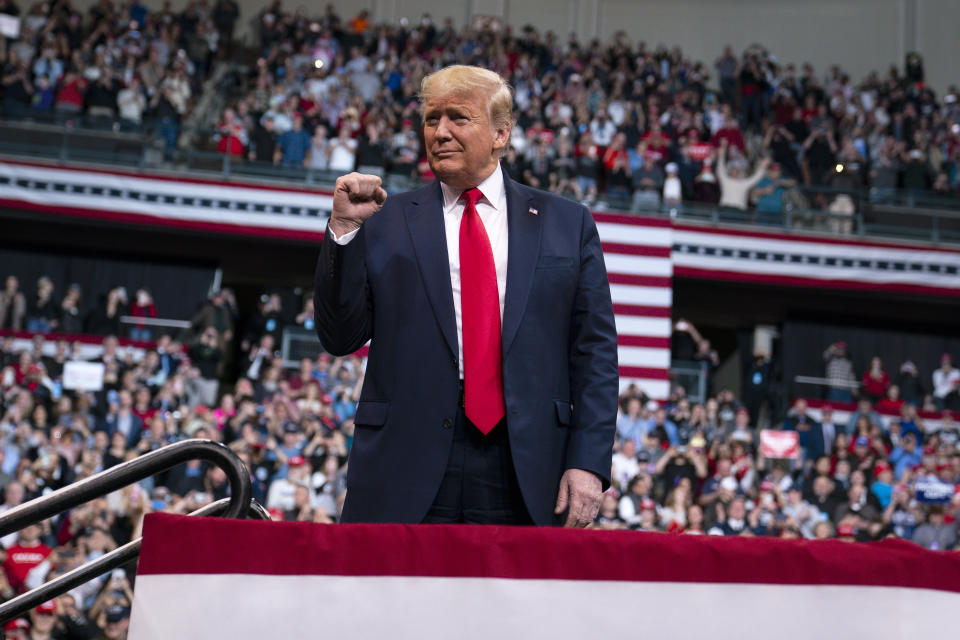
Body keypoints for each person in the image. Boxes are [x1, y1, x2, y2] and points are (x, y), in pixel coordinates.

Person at [314, 65, 618, 527]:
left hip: (528, 466)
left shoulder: (566, 224)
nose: (440, 132)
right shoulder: (385, 218)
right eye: (432, 119)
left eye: (459, 117)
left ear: (501, 133)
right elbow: (340, 336)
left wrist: (589, 463)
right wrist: (343, 231)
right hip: (403, 461)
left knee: (511, 600)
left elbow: (595, 353)